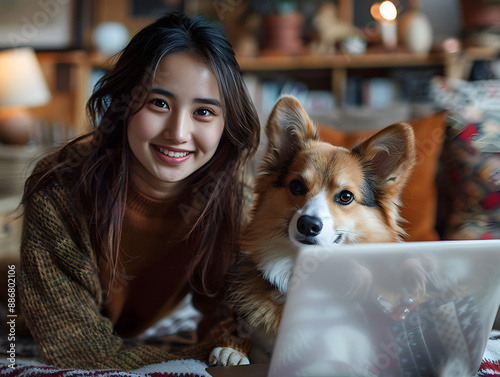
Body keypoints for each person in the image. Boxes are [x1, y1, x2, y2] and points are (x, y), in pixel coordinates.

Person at [19, 12, 260, 371]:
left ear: (227, 123)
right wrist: (199, 357)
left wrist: (230, 347)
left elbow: (234, 320)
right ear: (124, 103)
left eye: (204, 111)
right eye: (158, 103)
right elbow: (76, 348)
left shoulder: (231, 194)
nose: (178, 132)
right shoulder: (59, 188)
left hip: (132, 335)